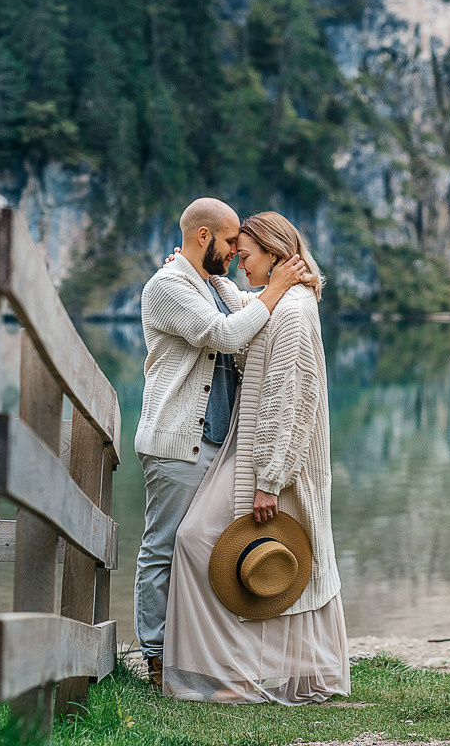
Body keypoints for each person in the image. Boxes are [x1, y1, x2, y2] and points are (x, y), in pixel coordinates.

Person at [162, 210, 349, 704]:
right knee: (211, 543)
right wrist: (194, 276)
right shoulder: (284, 301)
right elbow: (245, 311)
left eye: (245, 256)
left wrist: (270, 479)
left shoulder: (292, 312)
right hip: (251, 451)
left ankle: (226, 672)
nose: (239, 264)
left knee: (201, 540)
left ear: (273, 255)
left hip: (269, 460)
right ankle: (232, 669)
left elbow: (290, 401)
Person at [134, 198, 306, 692]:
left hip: (216, 442)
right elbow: (228, 336)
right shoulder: (166, 287)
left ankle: (199, 655)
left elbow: (255, 314)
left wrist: (281, 290)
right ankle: (155, 657)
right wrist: (276, 287)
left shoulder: (214, 285)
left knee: (206, 549)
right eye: (231, 241)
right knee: (164, 549)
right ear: (204, 237)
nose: (236, 251)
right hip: (177, 443)